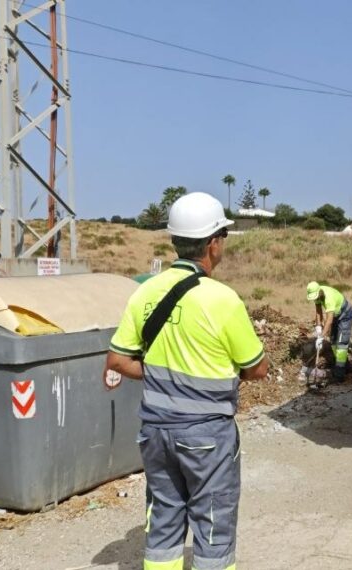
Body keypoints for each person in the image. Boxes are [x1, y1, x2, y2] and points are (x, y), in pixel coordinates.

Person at [105, 192, 268, 570]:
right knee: (213, 526)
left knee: (162, 518)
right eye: (222, 237)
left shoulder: (144, 292)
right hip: (206, 437)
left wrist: (164, 376)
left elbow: (117, 359)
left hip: (155, 433)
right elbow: (256, 369)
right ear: (213, 244)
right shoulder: (222, 299)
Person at [305, 281, 352, 381]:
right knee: (333, 342)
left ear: (319, 292)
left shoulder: (329, 298)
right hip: (336, 315)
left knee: (341, 344)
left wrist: (321, 337)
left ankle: (339, 375)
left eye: (316, 297)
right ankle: (346, 367)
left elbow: (329, 320)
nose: (315, 299)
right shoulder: (317, 296)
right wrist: (318, 326)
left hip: (346, 315)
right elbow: (318, 311)